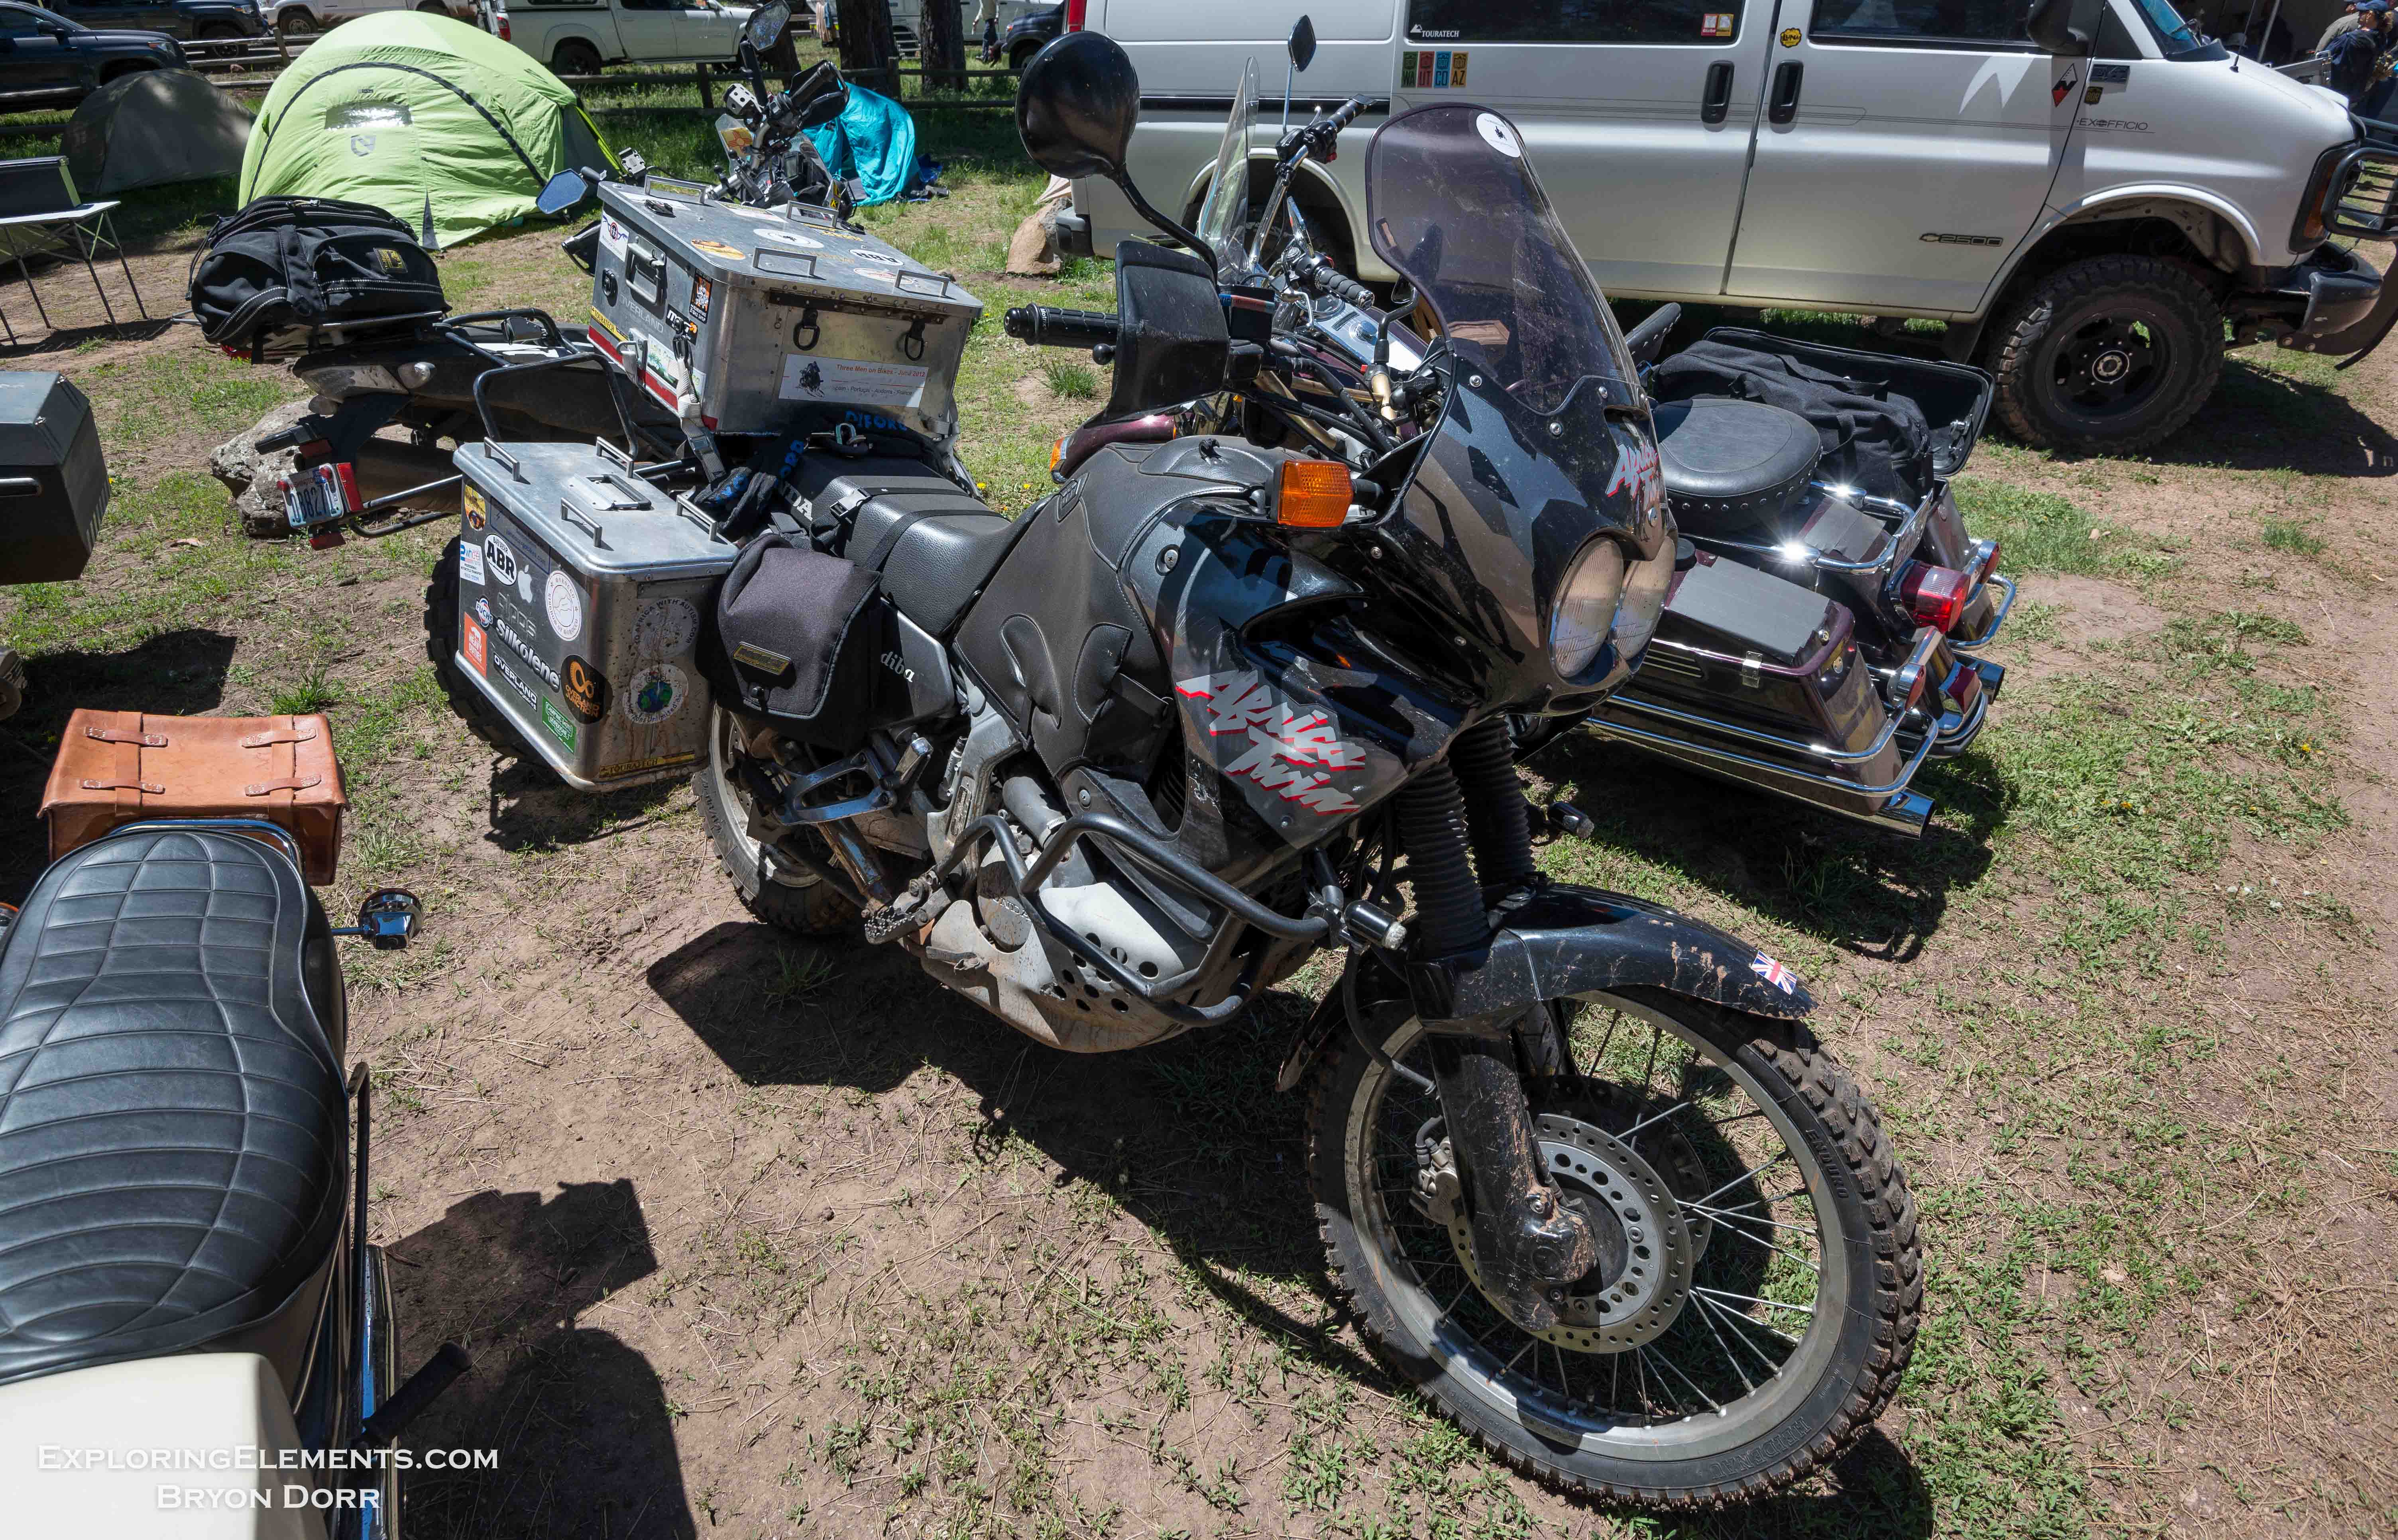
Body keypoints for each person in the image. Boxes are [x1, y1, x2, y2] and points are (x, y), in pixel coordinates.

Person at [2325, 0, 2392, 111]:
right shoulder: (2382, 39)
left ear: (2370, 15)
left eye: (2362, 12)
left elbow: (2325, 58)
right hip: (2354, 94)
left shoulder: (2349, 39)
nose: (2359, 14)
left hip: (2333, 90)